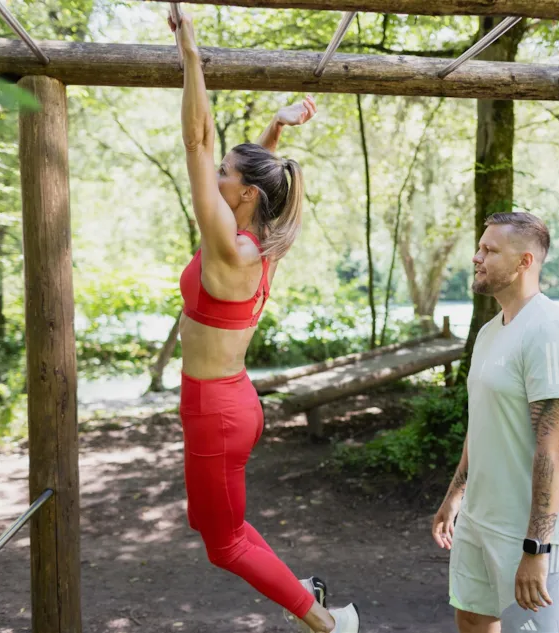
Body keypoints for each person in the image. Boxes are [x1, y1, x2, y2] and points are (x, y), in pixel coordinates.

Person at [169, 12, 359, 633]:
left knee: (223, 544)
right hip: (225, 401)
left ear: (245, 193)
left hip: (217, 409)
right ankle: (301, 589)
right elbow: (256, 177)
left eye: (228, 173)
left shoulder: (231, 250)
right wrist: (273, 131)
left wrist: (191, 52)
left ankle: (327, 623)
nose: (217, 174)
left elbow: (197, 141)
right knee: (212, 522)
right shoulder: (262, 240)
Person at [432, 212, 559, 633]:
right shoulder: (489, 333)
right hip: (480, 517)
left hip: (527, 531)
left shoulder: (551, 332)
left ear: (524, 262)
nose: (476, 257)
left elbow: (555, 445)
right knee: (471, 618)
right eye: (479, 248)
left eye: (489, 250)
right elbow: (483, 421)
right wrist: (455, 494)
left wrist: (537, 547)